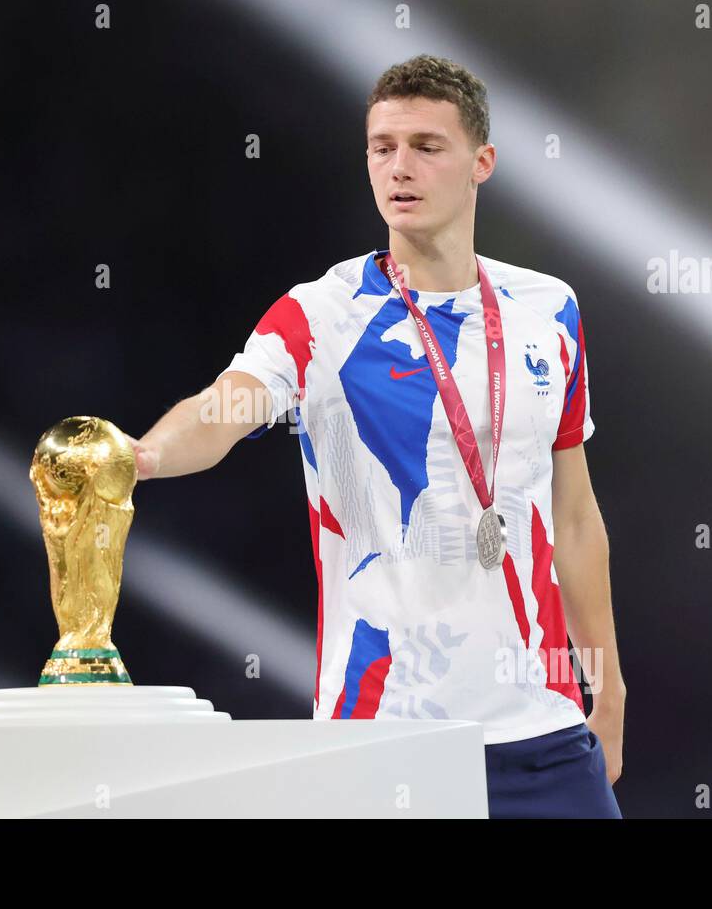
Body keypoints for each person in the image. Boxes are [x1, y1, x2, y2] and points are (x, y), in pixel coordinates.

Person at [128, 56, 625, 818]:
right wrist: (148, 456)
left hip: (544, 735)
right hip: (385, 746)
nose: (400, 167)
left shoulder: (548, 311)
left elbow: (577, 518)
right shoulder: (320, 315)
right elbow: (223, 409)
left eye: (427, 146)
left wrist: (609, 683)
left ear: (481, 163)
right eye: (382, 147)